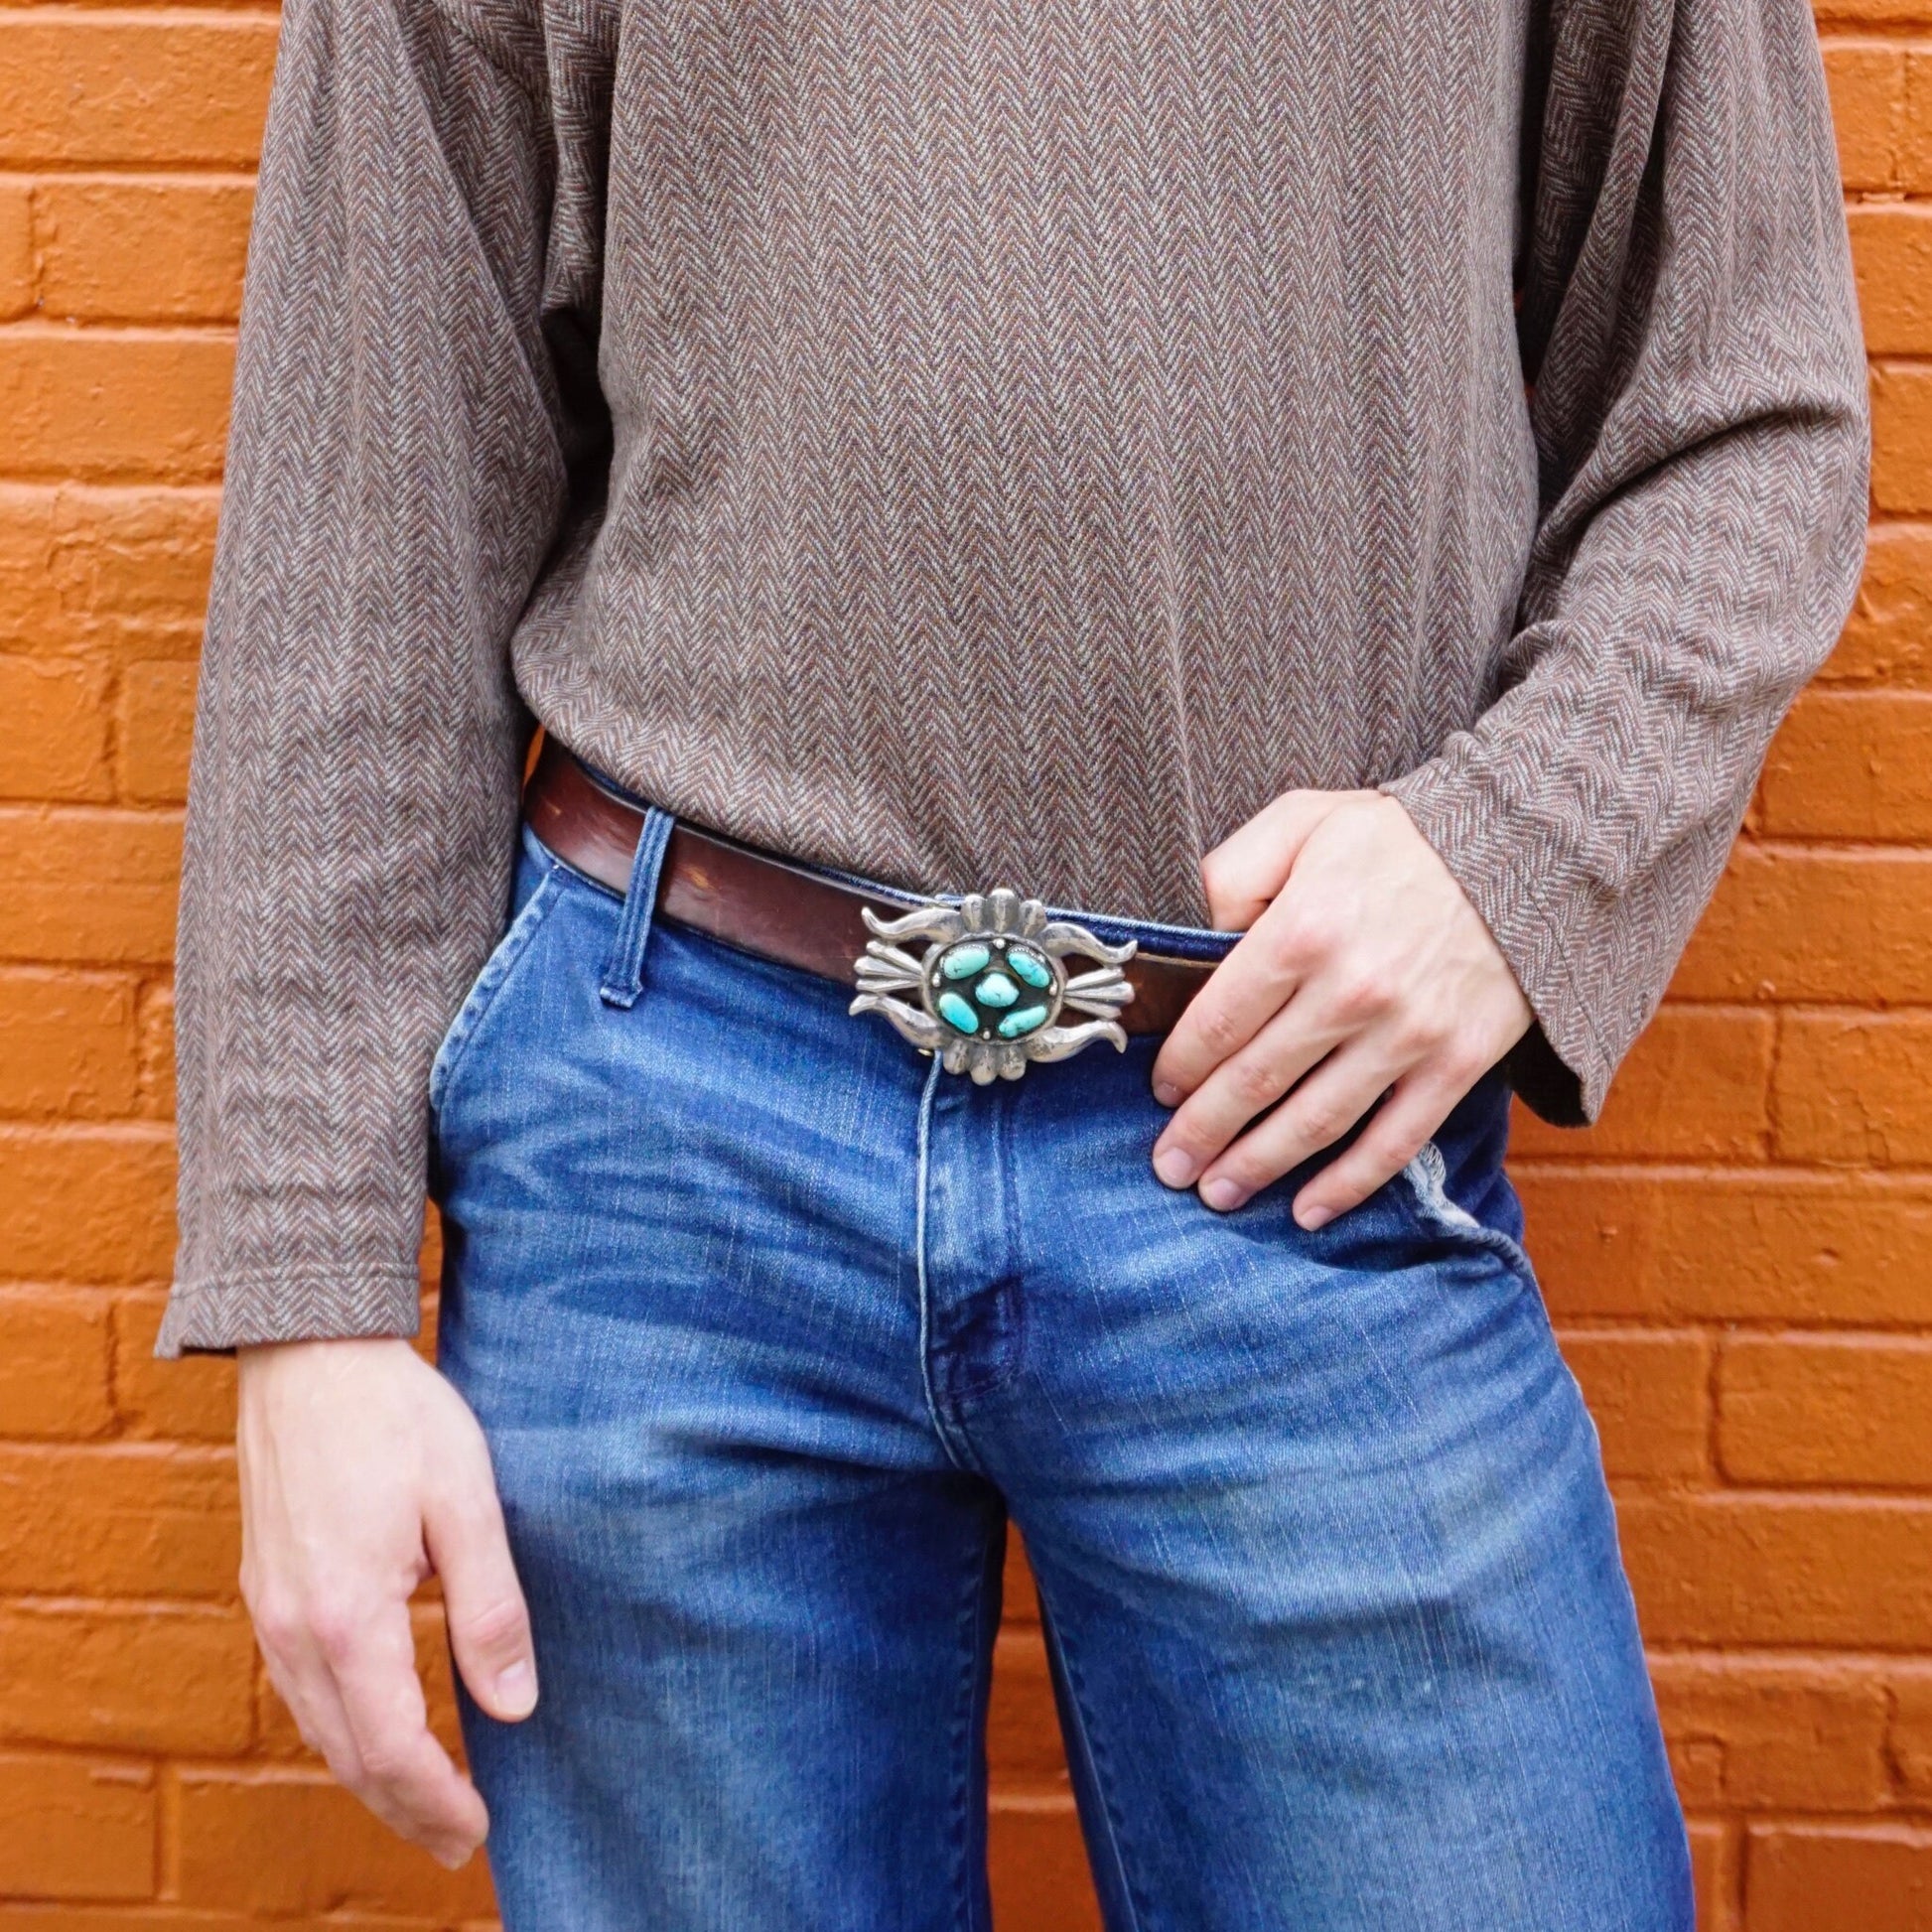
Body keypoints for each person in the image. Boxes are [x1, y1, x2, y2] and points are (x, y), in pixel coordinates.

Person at [158, 1, 1868, 1925]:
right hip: (667, 1138)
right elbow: (371, 471)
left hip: (1278, 1127)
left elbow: (1743, 403)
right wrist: (309, 1293)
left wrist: (1517, 859)